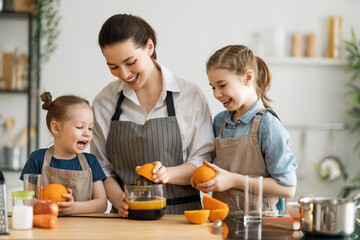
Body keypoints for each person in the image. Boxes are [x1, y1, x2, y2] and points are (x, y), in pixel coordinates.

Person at [91, 13, 214, 216]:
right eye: (113, 67)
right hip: (125, 218)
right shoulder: (105, 101)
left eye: (130, 62)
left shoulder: (190, 95)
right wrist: (119, 201)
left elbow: (203, 160)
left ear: (149, 47)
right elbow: (101, 167)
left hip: (182, 218)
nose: (124, 74)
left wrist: (167, 174)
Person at [193, 45, 297, 216]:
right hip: (222, 221)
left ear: (248, 77)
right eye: (212, 87)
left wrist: (233, 180)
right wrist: (202, 178)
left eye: (222, 85)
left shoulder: (268, 126)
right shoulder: (219, 122)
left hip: (261, 226)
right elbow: (215, 167)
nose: (217, 94)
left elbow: (287, 188)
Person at [20, 92, 107, 215]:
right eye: (80, 127)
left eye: (90, 128)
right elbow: (27, 198)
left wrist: (74, 208)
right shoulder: (37, 159)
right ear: (56, 128)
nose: (87, 133)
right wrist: (47, 205)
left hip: (84, 230)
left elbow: (101, 204)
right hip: (45, 226)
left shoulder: (91, 162)